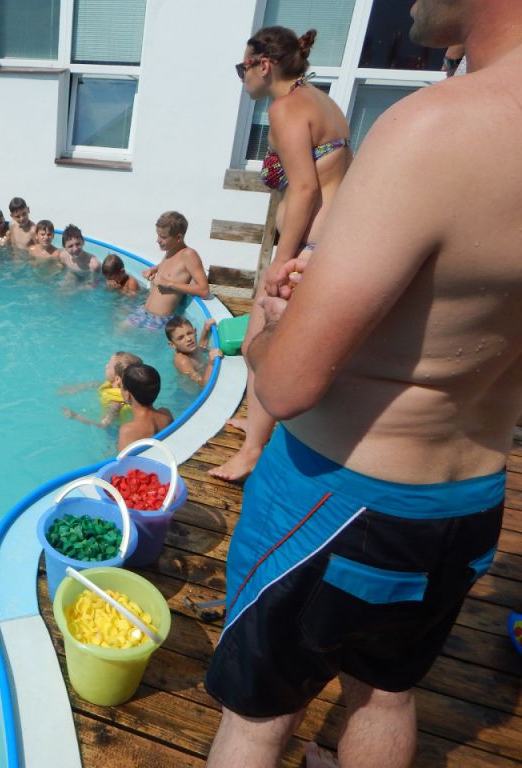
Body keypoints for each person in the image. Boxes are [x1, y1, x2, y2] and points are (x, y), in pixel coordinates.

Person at [203, 3, 522, 767]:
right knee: (384, 695)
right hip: (469, 500)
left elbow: (287, 387)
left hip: (340, 500)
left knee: (258, 715)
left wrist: (270, 324)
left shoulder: (437, 128)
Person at [210, 26, 352, 483]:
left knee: (261, 345)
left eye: (243, 68)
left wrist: (281, 260)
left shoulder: (286, 108)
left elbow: (306, 188)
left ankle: (252, 452)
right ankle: (257, 426)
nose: (242, 77)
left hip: (307, 248)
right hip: (323, 241)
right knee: (261, 339)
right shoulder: (319, 100)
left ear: (263, 65)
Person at [129, 211, 209, 330]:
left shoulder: (189, 255)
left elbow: (204, 290)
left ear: (178, 238)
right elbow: (171, 265)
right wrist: (154, 269)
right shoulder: (171, 250)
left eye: (163, 237)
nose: (158, 240)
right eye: (158, 235)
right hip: (143, 311)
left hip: (159, 320)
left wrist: (170, 283)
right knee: (119, 330)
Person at [60, 351, 142, 428]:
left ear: (117, 379)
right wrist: (77, 388)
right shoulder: (117, 385)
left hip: (116, 429)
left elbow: (102, 425)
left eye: (109, 366)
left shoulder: (115, 404)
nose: (106, 366)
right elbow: (97, 384)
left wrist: (75, 416)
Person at [116, 363, 173, 450]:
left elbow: (123, 457)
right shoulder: (166, 415)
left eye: (122, 386)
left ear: (128, 395)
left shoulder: (127, 430)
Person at [166, 316, 221, 388]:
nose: (188, 339)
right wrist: (211, 364)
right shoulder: (183, 361)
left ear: (195, 331)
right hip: (192, 392)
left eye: (189, 333)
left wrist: (206, 329)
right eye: (181, 338)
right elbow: (203, 385)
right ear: (172, 345)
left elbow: (201, 347)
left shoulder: (187, 347)